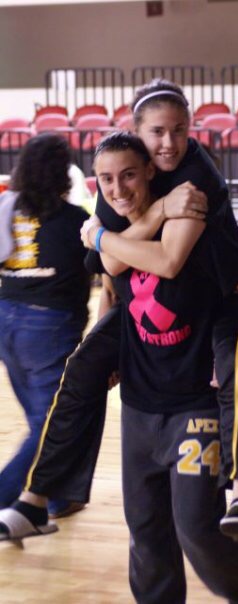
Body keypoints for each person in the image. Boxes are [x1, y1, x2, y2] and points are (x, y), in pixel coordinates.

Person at [0, 80, 238, 544]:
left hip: (217, 291)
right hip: (147, 302)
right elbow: (112, 269)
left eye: (179, 130)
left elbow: (167, 260)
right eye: (157, 132)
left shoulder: (194, 187)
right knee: (81, 370)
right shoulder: (120, 177)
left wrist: (101, 236)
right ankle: (34, 499)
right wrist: (104, 333)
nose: (169, 142)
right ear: (137, 136)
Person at [82, 130, 238, 603]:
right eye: (107, 179)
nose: (118, 189)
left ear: (151, 171)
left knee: (197, 527)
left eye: (129, 175)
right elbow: (111, 295)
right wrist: (108, 354)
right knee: (146, 530)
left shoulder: (200, 238)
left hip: (196, 407)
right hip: (139, 407)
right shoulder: (114, 245)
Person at [0, 134, 90, 530]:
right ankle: (8, 496)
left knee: (42, 418)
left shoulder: (6, 210)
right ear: (63, 173)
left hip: (6, 320)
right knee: (50, 424)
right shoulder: (74, 220)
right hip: (47, 327)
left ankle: (56, 495)